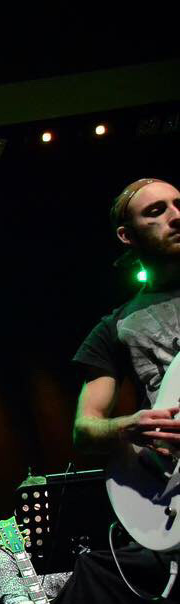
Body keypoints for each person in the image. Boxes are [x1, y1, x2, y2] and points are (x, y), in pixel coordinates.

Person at [73, 178, 180, 456]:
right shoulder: (116, 326)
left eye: (179, 205)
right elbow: (85, 428)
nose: (176, 216)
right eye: (156, 211)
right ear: (126, 235)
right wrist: (126, 426)